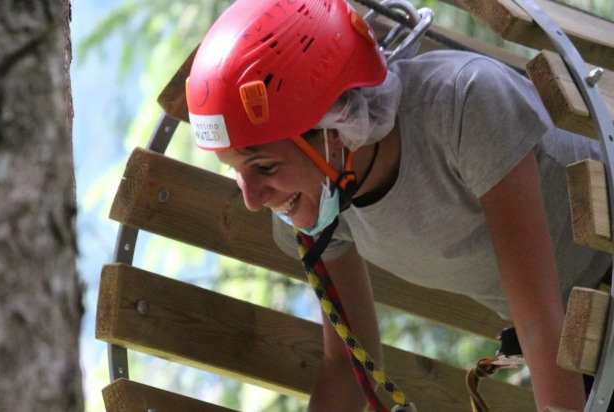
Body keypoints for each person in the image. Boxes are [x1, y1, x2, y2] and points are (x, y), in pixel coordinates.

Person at [184, 0, 612, 410]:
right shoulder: (320, 203)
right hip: (581, 338)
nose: (253, 199)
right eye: (236, 170)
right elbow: (350, 367)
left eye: (264, 166)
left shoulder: (464, 105)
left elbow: (541, 322)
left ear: (335, 128)